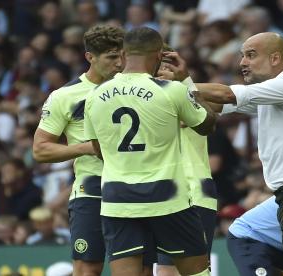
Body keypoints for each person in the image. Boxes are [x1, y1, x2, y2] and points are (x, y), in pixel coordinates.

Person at [164, 31, 283, 275]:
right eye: (242, 56)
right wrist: (180, 93)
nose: (242, 63)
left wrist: (176, 84)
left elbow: (226, 94)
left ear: (275, 58)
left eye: (251, 55)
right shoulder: (271, 93)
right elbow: (215, 105)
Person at [83, 27, 217, 276]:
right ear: (158, 55)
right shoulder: (170, 90)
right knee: (197, 273)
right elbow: (207, 125)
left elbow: (98, 150)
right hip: (167, 198)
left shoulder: (94, 95)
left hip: (117, 200)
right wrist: (186, 80)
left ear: (122, 55)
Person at [32, 25, 125, 276]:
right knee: (87, 269)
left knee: (137, 270)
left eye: (122, 56)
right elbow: (40, 150)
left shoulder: (137, 89)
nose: (119, 63)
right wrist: (87, 147)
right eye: (111, 57)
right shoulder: (65, 96)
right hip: (92, 188)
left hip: (135, 185)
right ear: (90, 57)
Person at [156, 45, 218, 276]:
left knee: (196, 271)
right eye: (157, 68)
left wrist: (185, 82)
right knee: (164, 270)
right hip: (161, 193)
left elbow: (217, 107)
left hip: (194, 191)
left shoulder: (188, 95)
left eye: (166, 68)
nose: (161, 73)